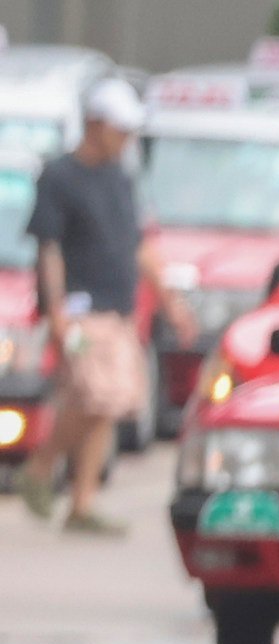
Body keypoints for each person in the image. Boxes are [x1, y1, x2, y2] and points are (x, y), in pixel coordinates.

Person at [20, 77, 157, 537]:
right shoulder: (60, 176)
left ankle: (81, 502)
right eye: (120, 129)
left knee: (103, 404)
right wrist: (56, 309)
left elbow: (134, 243)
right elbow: (49, 247)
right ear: (95, 124)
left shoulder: (119, 178)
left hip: (117, 307)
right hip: (79, 309)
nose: (126, 139)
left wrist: (171, 301)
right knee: (99, 396)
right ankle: (41, 467)